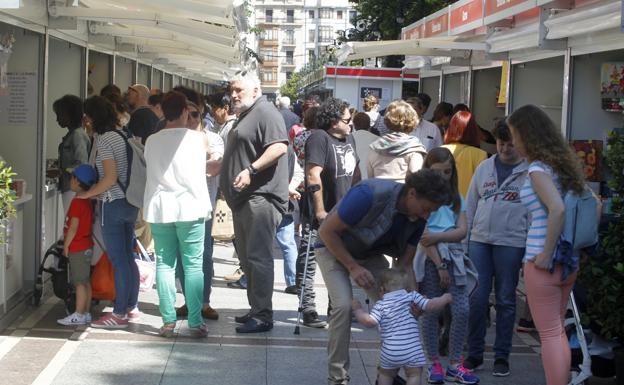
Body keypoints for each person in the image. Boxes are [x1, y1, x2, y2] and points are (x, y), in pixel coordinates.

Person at [316, 169, 451, 385]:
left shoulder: (418, 219)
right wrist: (352, 267)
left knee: (400, 307)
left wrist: (412, 298)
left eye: (431, 212)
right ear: (412, 193)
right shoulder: (368, 194)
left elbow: (405, 265)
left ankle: (386, 373)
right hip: (333, 249)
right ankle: (337, 377)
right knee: (342, 306)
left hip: (369, 255)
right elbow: (326, 231)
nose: (427, 216)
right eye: (426, 208)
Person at [509, 104, 586, 385]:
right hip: (568, 262)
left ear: (527, 135)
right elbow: (590, 208)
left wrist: (544, 253)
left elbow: (557, 209)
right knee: (558, 332)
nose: (514, 142)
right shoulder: (563, 168)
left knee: (550, 334)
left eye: (515, 135)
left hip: (544, 262)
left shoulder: (538, 170)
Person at [220, 71, 289, 334]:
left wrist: (251, 170)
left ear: (256, 90)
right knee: (248, 259)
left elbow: (278, 147)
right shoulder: (248, 114)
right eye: (232, 90)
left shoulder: (266, 112)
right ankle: (256, 308)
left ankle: (262, 315)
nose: (234, 95)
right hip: (243, 200)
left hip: (260, 198)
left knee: (259, 258)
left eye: (239, 90)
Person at [143, 91, 211, 338]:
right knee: (193, 265)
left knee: (164, 264)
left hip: (160, 207)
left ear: (162, 111)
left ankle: (168, 321)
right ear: (184, 111)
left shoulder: (151, 140)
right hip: (190, 207)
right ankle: (195, 321)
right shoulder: (198, 139)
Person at [463, 119, 529, 376]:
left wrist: (530, 253)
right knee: (477, 299)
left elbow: (535, 214)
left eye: (510, 145)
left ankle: (502, 356)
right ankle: (475, 353)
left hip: (511, 243)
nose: (504, 149)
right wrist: (465, 242)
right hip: (479, 240)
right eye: (501, 144)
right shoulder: (484, 167)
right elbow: (470, 205)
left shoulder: (529, 172)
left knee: (505, 300)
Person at [413, 147, 479, 385]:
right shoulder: (423, 199)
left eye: (447, 172)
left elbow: (463, 231)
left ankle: (454, 363)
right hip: (430, 259)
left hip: (456, 257)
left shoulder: (456, 197)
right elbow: (423, 235)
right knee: (431, 310)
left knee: (462, 310)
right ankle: (434, 363)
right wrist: (439, 263)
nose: (442, 177)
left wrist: (439, 238)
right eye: (437, 172)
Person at [298, 97, 360, 328]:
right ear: (334, 121)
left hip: (345, 212)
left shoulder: (350, 138)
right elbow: (313, 174)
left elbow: (356, 171)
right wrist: (320, 210)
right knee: (310, 259)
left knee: (342, 260)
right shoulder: (319, 138)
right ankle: (308, 308)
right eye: (347, 119)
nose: (351, 123)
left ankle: (336, 307)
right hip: (322, 212)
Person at [80, 96, 140, 329]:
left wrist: (88, 194)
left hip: (113, 203)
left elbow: (110, 177)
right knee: (128, 256)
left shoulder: (105, 140)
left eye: (87, 116)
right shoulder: (123, 134)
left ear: (93, 117)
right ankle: (132, 307)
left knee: (119, 260)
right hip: (130, 202)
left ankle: (119, 313)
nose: (85, 121)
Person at [352, 269, 453, 385]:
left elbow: (369, 321)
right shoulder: (412, 296)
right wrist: (445, 298)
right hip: (412, 350)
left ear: (382, 290)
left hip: (390, 351)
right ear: (406, 288)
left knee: (386, 374)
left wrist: (358, 310)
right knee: (414, 374)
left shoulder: (381, 305)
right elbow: (431, 305)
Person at [174, 101, 223, 321]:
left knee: (203, 256)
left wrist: (185, 164)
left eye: (194, 114)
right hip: (177, 206)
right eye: (185, 114)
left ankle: (204, 302)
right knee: (180, 257)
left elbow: (214, 168)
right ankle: (188, 300)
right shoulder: (174, 138)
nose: (190, 119)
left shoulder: (212, 138)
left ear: (201, 115)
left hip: (203, 206)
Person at [57, 164, 96, 326]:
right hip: (86, 245)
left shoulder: (77, 202)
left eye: (72, 177)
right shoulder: (87, 200)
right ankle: (85, 313)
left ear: (77, 181)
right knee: (85, 281)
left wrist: (66, 245)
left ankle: (78, 314)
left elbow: (73, 227)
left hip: (77, 247)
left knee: (79, 282)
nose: (70, 180)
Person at [368, 100, 427, 182]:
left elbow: (370, 177)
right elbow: (417, 177)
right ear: (412, 120)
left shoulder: (376, 146)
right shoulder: (413, 147)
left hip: (377, 192)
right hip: (403, 193)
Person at [53, 94, 91, 215]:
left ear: (69, 115)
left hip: (73, 189)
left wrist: (62, 171)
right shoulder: (73, 135)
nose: (57, 119)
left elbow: (81, 164)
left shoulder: (77, 136)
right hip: (70, 188)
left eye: (59, 115)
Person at [442, 111, 487, 197]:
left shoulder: (438, 151)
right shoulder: (480, 155)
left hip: (441, 205)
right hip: (467, 206)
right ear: (473, 130)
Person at [351, 111, 378, 180]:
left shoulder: (348, 138)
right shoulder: (378, 140)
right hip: (372, 180)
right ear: (369, 125)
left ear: (354, 124)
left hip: (352, 180)